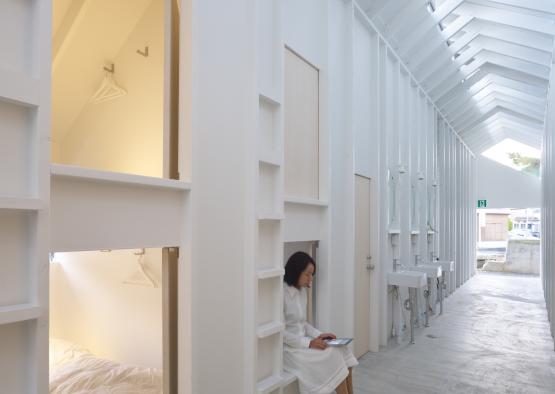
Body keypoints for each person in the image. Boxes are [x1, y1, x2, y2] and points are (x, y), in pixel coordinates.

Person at [283, 251, 358, 394]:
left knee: (342, 349)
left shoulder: (302, 292)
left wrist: (320, 334)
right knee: (333, 356)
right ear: (296, 271)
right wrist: (309, 343)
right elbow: (281, 334)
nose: (310, 279)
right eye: (307, 274)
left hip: (303, 343)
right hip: (290, 350)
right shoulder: (281, 293)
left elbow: (303, 323)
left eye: (312, 274)